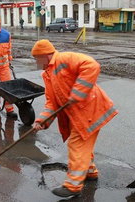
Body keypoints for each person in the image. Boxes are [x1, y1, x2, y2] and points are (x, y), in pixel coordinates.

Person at [31, 39, 118, 197]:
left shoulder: (64, 59)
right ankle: (90, 172)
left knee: (77, 145)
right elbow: (51, 102)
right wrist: (41, 121)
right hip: (78, 114)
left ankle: (73, 185)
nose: (36, 62)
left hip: (90, 110)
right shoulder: (47, 74)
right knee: (83, 144)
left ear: (45, 55)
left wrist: (78, 92)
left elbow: (91, 65)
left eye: (37, 59)